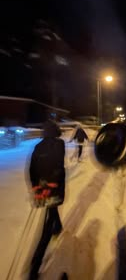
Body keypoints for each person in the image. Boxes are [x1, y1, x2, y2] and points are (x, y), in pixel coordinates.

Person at [28, 120, 66, 280]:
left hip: (43, 190)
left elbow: (32, 169)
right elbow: (58, 164)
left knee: (52, 210)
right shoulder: (59, 144)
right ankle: (34, 267)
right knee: (46, 230)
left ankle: (58, 226)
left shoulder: (38, 147)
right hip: (53, 189)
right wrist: (51, 183)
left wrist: (37, 187)